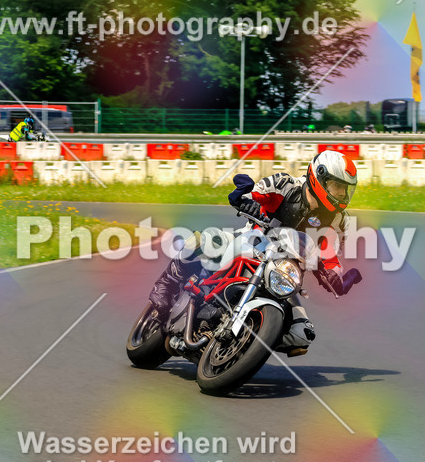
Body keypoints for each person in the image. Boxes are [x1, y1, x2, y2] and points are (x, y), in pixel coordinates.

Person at [146, 151, 363, 356]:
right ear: (319, 179)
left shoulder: (339, 220)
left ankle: (243, 343)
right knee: (204, 239)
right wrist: (243, 196)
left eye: (346, 189)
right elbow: (254, 193)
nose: (342, 195)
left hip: (284, 272)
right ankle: (166, 284)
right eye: (337, 187)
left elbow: (330, 255)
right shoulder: (286, 186)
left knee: (302, 335)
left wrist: (335, 275)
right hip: (252, 243)